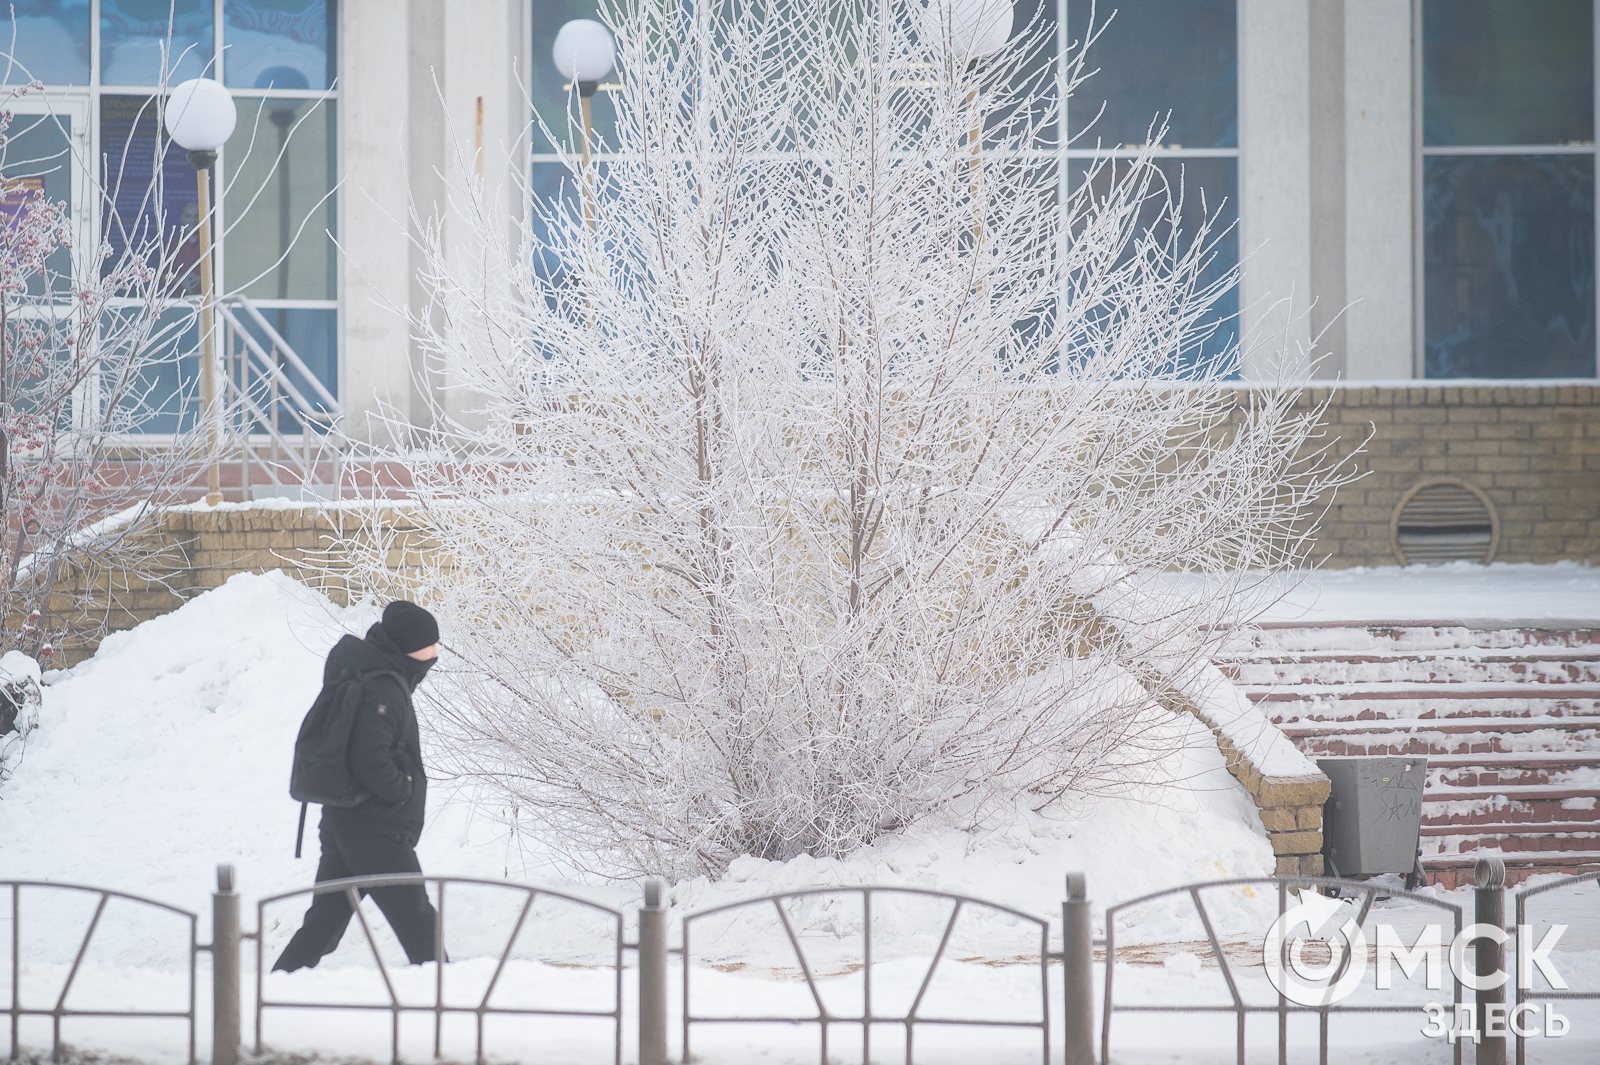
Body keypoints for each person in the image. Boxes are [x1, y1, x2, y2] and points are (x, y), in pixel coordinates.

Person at [272, 600, 442, 972]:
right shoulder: (383, 687)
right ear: (409, 646)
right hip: (375, 830)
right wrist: (403, 791)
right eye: (431, 644)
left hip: (344, 823)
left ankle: (274, 989)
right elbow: (370, 759)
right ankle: (452, 1002)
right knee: (420, 926)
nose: (435, 653)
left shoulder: (370, 674)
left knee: (322, 927)